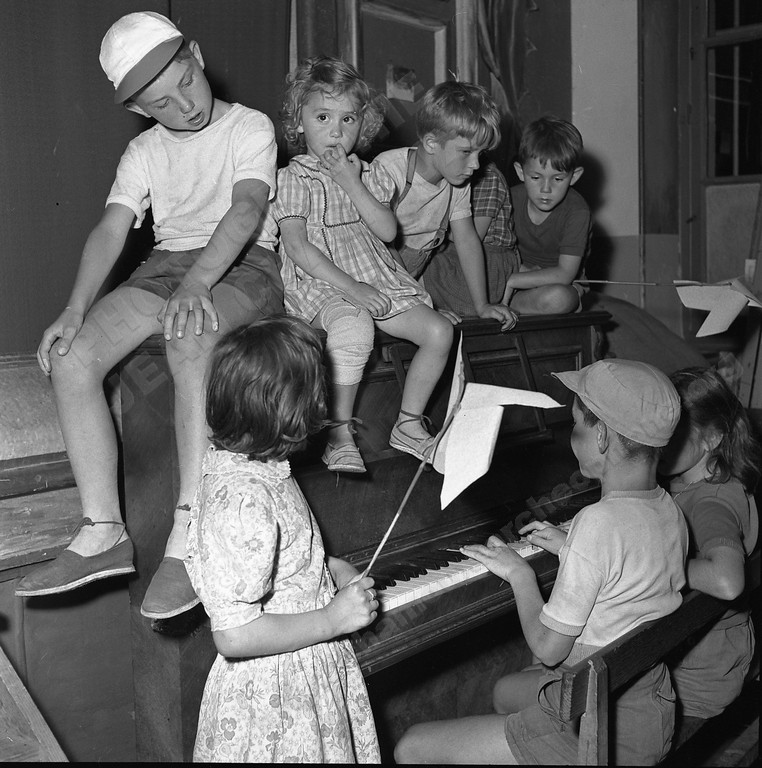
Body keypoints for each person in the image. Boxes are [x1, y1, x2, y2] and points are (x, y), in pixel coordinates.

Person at [15, 12, 284, 622]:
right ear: (139, 109)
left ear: (197, 55)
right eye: (161, 103)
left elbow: (246, 210)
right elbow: (111, 229)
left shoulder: (249, 125)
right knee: (70, 356)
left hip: (243, 264)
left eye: (187, 82)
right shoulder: (142, 151)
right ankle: (103, 530)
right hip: (168, 266)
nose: (185, 106)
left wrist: (198, 283)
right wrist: (74, 308)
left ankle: (189, 534)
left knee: (189, 336)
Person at [394, 359, 688, 765]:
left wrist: (520, 573)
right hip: (647, 708)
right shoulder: (669, 508)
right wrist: (571, 547)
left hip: (595, 729)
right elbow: (629, 570)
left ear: (602, 435)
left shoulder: (598, 522)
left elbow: (549, 650)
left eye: (575, 425)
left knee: (410, 747)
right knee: (504, 691)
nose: (571, 436)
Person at [186, 317, 380, 762]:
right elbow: (234, 636)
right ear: (293, 409)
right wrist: (331, 619)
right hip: (274, 703)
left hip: (301, 677)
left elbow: (278, 558)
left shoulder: (261, 467)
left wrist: (328, 570)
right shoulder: (244, 499)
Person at [271, 56, 454, 472]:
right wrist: (352, 289)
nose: (336, 131)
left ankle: (408, 424)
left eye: (348, 119)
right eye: (322, 117)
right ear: (298, 122)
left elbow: (388, 232)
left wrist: (351, 182)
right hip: (321, 281)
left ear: (363, 124)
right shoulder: (292, 178)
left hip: (373, 275)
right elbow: (297, 247)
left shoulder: (369, 175)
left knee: (439, 331)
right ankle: (338, 435)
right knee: (355, 326)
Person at [372, 81, 517, 330]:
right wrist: (424, 303)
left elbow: (467, 240)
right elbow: (382, 247)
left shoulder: (457, 181)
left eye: (480, 154)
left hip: (408, 282)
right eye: (466, 152)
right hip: (373, 278)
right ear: (431, 143)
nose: (475, 165)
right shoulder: (389, 170)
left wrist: (482, 305)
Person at [659, 366, 759, 722]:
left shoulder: (710, 502)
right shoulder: (711, 483)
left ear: (712, 437)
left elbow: (727, 581)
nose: (658, 441)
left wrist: (650, 560)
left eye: (674, 432)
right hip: (710, 653)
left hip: (700, 673)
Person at [504, 115, 590, 314]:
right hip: (514, 275)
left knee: (558, 298)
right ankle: (512, 302)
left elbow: (565, 274)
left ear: (574, 176)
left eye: (558, 179)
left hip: (556, 284)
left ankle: (509, 303)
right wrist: (517, 272)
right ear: (520, 172)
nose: (546, 189)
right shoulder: (507, 199)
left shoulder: (578, 211)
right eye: (535, 177)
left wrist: (512, 280)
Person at [423, 159, 520, 317]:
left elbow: (474, 235)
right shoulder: (451, 175)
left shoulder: (488, 176)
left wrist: (427, 221)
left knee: (427, 266)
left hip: (489, 258)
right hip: (455, 250)